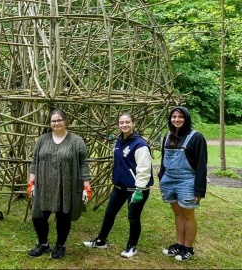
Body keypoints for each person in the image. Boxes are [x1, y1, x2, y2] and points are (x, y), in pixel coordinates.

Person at [83, 113, 153, 258]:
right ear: (118, 125)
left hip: (136, 189)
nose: (124, 125)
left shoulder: (140, 145)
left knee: (133, 217)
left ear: (133, 123)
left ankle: (131, 246)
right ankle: (101, 240)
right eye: (121, 123)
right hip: (120, 187)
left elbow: (144, 169)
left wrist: (139, 189)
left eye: (127, 122)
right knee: (109, 213)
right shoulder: (119, 141)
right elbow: (121, 159)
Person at [27, 109, 91, 259]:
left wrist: (86, 186)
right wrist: (31, 182)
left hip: (65, 186)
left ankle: (60, 245)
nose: (56, 123)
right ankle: (43, 244)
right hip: (43, 185)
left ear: (65, 121)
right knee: (38, 216)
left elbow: (83, 164)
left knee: (63, 217)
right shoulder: (42, 139)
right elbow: (34, 161)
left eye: (59, 120)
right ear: (50, 123)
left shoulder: (76, 141)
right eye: (53, 121)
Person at [158, 106, 207, 261]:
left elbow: (201, 165)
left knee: (188, 215)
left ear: (186, 119)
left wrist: (199, 191)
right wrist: (161, 178)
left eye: (180, 117)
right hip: (169, 180)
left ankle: (188, 248)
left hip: (187, 181)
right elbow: (163, 161)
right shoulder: (168, 136)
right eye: (174, 117)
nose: (177, 120)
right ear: (170, 119)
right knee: (178, 213)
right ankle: (179, 245)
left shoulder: (196, 137)